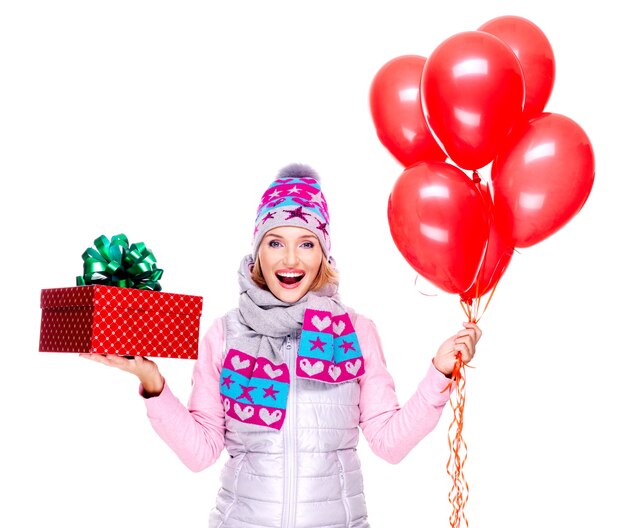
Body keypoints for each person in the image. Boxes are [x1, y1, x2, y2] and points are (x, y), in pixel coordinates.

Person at [80, 163, 481, 528]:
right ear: (257, 252)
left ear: (323, 253)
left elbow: (390, 443)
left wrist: (439, 373)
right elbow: (201, 452)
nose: (291, 259)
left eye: (306, 243)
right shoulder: (226, 334)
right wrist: (152, 383)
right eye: (275, 242)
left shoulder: (355, 332)